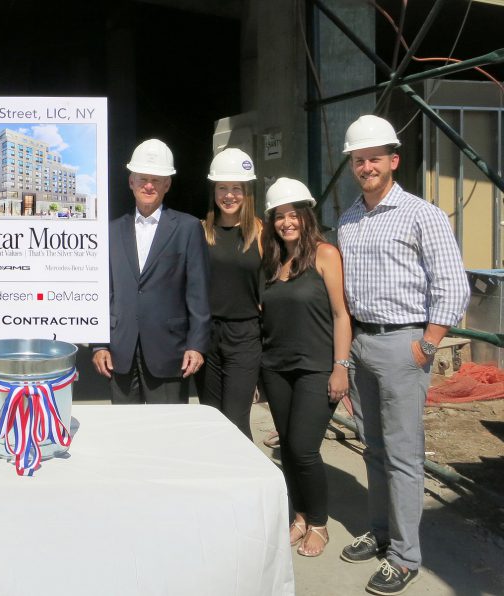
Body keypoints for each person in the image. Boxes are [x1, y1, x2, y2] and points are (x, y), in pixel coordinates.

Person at [337, 115, 469, 595]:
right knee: (372, 446)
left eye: (374, 158)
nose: (366, 166)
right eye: (358, 159)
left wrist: (426, 344)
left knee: (404, 455)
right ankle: (380, 530)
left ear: (393, 160)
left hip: (403, 344)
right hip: (362, 343)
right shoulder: (348, 218)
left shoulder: (421, 214)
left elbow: (453, 286)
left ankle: (405, 556)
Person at [258, 177, 351, 559]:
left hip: (315, 368)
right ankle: (298, 516)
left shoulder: (325, 254)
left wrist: (340, 366)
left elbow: (340, 314)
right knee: (289, 449)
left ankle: (319, 523)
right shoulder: (273, 260)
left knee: (303, 448)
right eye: (279, 216)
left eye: (293, 213)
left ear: (306, 215)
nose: (286, 222)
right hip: (276, 368)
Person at [92, 139, 209, 403]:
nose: (148, 185)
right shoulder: (111, 231)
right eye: (142, 178)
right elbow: (104, 292)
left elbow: (198, 292)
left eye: (156, 180)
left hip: (170, 351)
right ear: (131, 181)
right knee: (126, 435)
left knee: (167, 435)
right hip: (121, 351)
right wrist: (100, 344)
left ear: (167, 184)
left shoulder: (188, 228)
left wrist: (196, 345)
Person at [194, 148, 263, 439]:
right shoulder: (199, 232)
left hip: (244, 335)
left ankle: (247, 484)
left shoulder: (262, 233)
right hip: (207, 335)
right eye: (223, 187)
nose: (229, 195)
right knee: (212, 419)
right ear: (214, 191)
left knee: (235, 421)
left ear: (247, 192)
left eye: (237, 188)